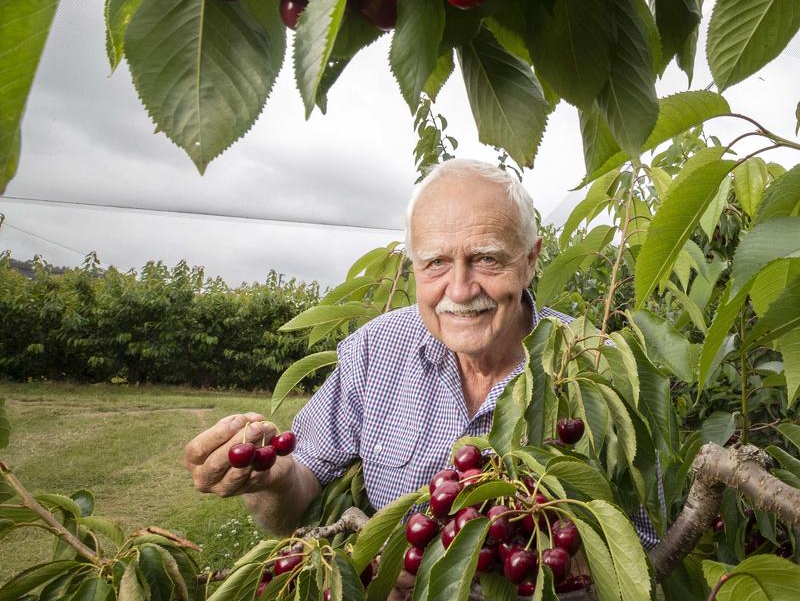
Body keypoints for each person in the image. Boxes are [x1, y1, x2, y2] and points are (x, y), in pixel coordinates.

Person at [183, 159, 656, 598]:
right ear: (413, 266)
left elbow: (649, 544)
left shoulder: (598, 365)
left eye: (487, 259)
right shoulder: (376, 350)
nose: (460, 289)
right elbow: (299, 487)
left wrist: (540, 556)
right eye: (436, 262)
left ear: (530, 260)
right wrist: (273, 479)